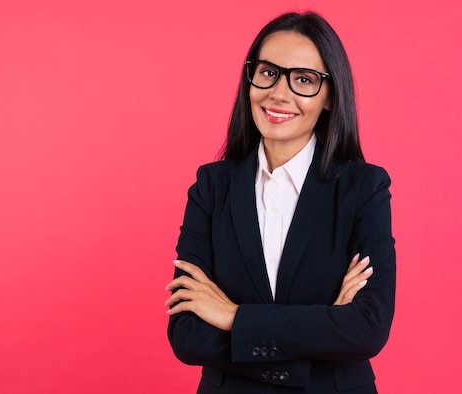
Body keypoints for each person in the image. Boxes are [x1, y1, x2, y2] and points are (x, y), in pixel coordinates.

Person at [165, 11, 396, 393]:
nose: (279, 93)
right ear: (250, 78)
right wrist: (324, 326)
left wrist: (232, 316)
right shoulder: (212, 186)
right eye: (268, 72)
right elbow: (187, 334)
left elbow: (368, 328)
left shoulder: (363, 187)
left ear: (329, 97)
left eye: (303, 79)